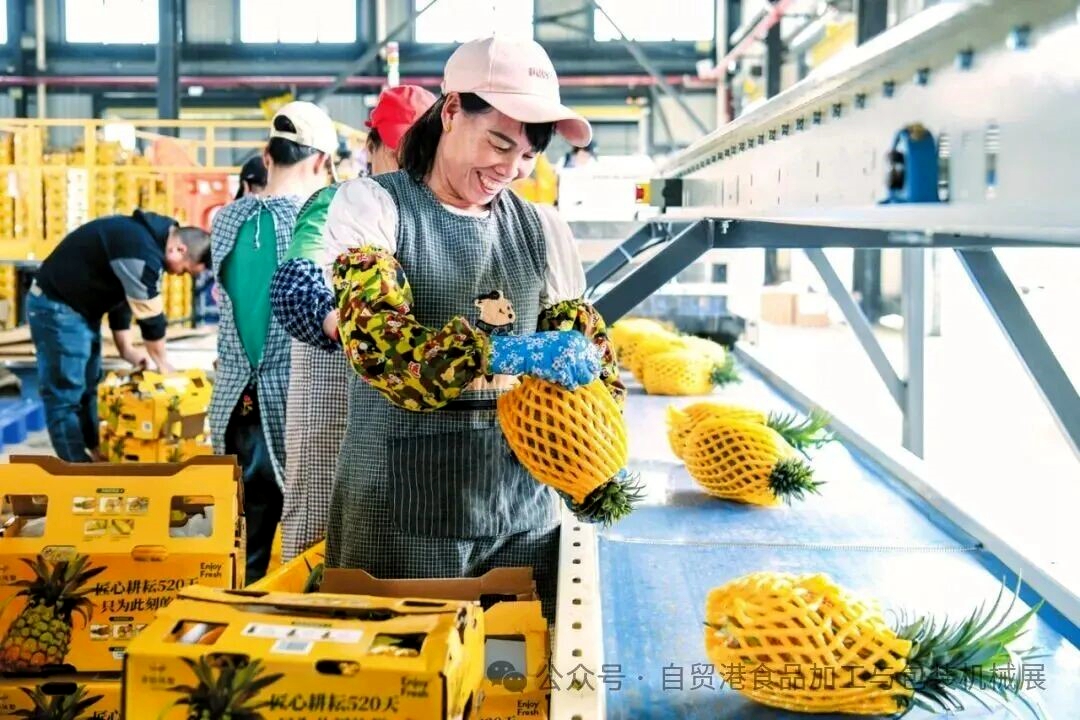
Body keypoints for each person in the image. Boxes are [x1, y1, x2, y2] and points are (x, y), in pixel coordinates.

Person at [271, 38, 624, 618]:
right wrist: (504, 353)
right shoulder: (373, 208)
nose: (511, 169)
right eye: (500, 143)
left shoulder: (543, 229)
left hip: (522, 520)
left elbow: (590, 361)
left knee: (514, 664)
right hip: (398, 519)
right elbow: (386, 352)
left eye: (529, 155)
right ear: (453, 110)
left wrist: (595, 459)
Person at [269, 84, 435, 562]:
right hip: (332, 391)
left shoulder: (435, 215)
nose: (408, 167)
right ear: (372, 147)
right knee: (319, 534)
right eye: (399, 153)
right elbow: (294, 283)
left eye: (421, 155)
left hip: (407, 402)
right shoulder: (335, 203)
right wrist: (343, 325)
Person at [207, 100, 337, 584]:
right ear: (322, 161)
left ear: (267, 156)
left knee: (244, 536)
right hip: (293, 406)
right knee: (306, 542)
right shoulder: (316, 223)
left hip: (231, 403)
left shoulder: (225, 220)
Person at [27, 211, 209, 462]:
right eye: (185, 270)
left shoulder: (146, 243)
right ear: (179, 249)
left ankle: (95, 452)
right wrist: (163, 364)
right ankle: (76, 470)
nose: (180, 275)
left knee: (88, 386)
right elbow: (151, 318)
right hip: (57, 306)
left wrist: (127, 350)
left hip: (80, 310)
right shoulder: (141, 250)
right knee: (66, 393)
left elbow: (125, 298)